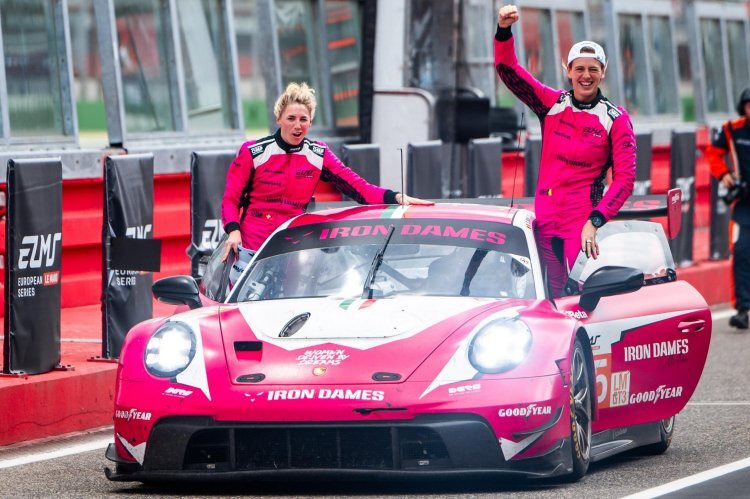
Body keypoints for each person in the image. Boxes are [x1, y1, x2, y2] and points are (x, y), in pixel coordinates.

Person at [221, 82, 432, 281]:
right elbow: (230, 200)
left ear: (310, 122)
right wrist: (233, 231)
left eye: (303, 119)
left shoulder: (318, 153)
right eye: (291, 118)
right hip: (251, 244)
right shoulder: (253, 151)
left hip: (290, 246)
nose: (297, 125)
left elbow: (359, 188)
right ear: (279, 119)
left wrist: (396, 197)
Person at [494, 5, 636, 296]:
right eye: (579, 68)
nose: (586, 75)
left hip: (581, 223)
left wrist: (595, 221)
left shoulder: (615, 118)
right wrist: (503, 31)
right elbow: (509, 72)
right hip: (545, 219)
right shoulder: (551, 103)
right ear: (568, 70)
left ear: (603, 73)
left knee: (581, 296)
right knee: (548, 295)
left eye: (593, 69)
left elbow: (624, 180)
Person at [705, 87, 750, 329]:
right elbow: (712, 153)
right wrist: (723, 174)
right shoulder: (732, 129)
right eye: (748, 105)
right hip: (744, 204)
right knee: (742, 252)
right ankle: (743, 310)